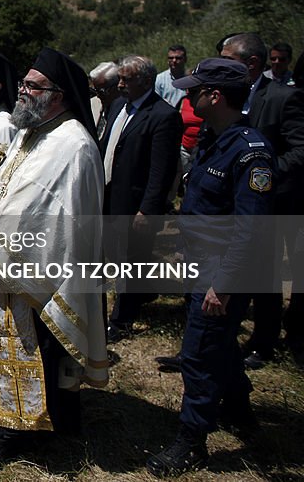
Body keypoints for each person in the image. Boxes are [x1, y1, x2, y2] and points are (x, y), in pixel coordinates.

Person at [0, 48, 108, 475]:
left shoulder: (73, 144)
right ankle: (59, 422)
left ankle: (11, 433)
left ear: (58, 95)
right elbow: (8, 186)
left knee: (36, 349)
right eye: (24, 84)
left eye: (32, 86)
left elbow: (56, 217)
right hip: (18, 262)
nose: (22, 92)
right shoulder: (32, 131)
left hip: (41, 267)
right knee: (38, 351)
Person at [146, 58, 273, 477]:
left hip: (223, 272)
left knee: (198, 356)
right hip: (200, 264)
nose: (186, 96)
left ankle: (191, 442)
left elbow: (250, 230)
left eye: (194, 90)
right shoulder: (213, 140)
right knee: (217, 343)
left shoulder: (249, 151)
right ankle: (238, 408)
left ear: (214, 96)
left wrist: (224, 284)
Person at [219, 33, 304, 368]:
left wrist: (261, 174)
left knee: (268, 276)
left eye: (229, 59)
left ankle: (265, 341)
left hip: (277, 204)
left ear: (251, 63)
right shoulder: (226, 95)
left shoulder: (284, 97)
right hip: (234, 203)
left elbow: (300, 149)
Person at [99, 55, 182, 339]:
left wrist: (148, 209)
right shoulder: (119, 106)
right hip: (110, 195)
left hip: (135, 203)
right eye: (119, 78)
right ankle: (142, 295)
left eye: (127, 79)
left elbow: (161, 169)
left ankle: (121, 321)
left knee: (131, 261)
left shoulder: (163, 115)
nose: (120, 84)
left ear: (146, 81)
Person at [88, 61, 120, 141]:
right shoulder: (92, 104)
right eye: (95, 90)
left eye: (102, 91)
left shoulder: (127, 111)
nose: (98, 96)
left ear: (117, 86)